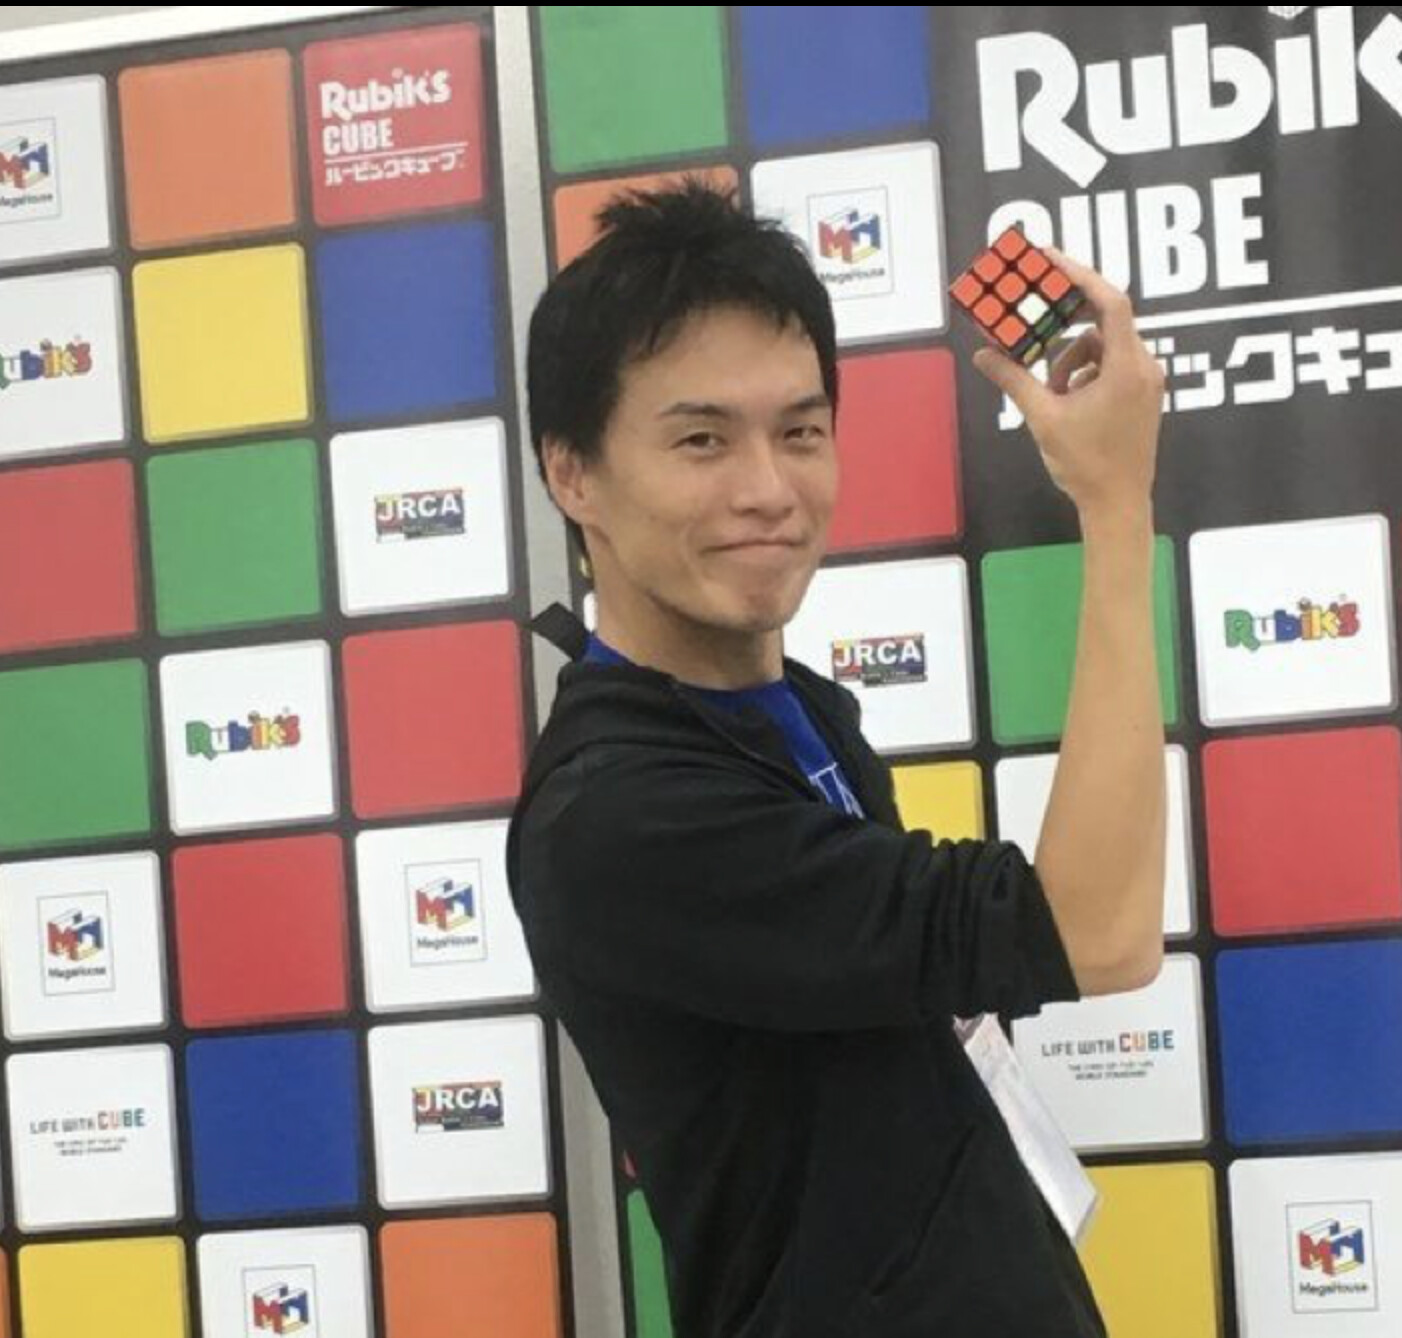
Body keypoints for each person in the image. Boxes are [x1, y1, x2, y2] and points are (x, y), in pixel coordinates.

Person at [507, 179, 1166, 1337]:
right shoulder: (618, 816)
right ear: (573, 474)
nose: (767, 491)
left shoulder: (796, 709)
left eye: (800, 432)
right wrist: (1113, 503)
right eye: (701, 440)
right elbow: (1095, 933)